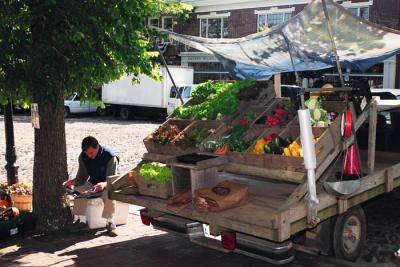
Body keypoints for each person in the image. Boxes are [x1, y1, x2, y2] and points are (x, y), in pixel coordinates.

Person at [63, 136, 119, 235]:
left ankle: (110, 222)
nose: (89, 156)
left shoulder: (110, 156)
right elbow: (81, 177)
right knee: (78, 190)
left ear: (97, 146)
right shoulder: (83, 156)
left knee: (109, 194)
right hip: (93, 183)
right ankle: (82, 221)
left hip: (109, 184)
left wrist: (103, 184)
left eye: (91, 153)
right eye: (87, 153)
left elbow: (113, 179)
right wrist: (72, 182)